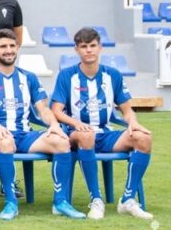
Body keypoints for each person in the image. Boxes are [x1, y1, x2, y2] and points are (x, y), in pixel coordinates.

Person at [0, 29, 86, 220]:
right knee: (6, 142)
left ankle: (61, 202)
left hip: (26, 134)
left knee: (61, 142)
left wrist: (54, 125)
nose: (8, 50)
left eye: (11, 46)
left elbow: (42, 108)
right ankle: (11, 202)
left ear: (17, 47)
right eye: (3, 47)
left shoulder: (29, 77)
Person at [51, 27, 154, 220]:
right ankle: (96, 199)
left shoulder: (113, 75)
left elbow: (126, 108)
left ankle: (128, 199)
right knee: (86, 135)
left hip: (107, 134)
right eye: (84, 46)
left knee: (144, 138)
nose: (88, 50)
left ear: (100, 48)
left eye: (92, 46)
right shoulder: (66, 76)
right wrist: (76, 122)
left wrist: (133, 122)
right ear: (76, 50)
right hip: (76, 134)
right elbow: (56, 111)